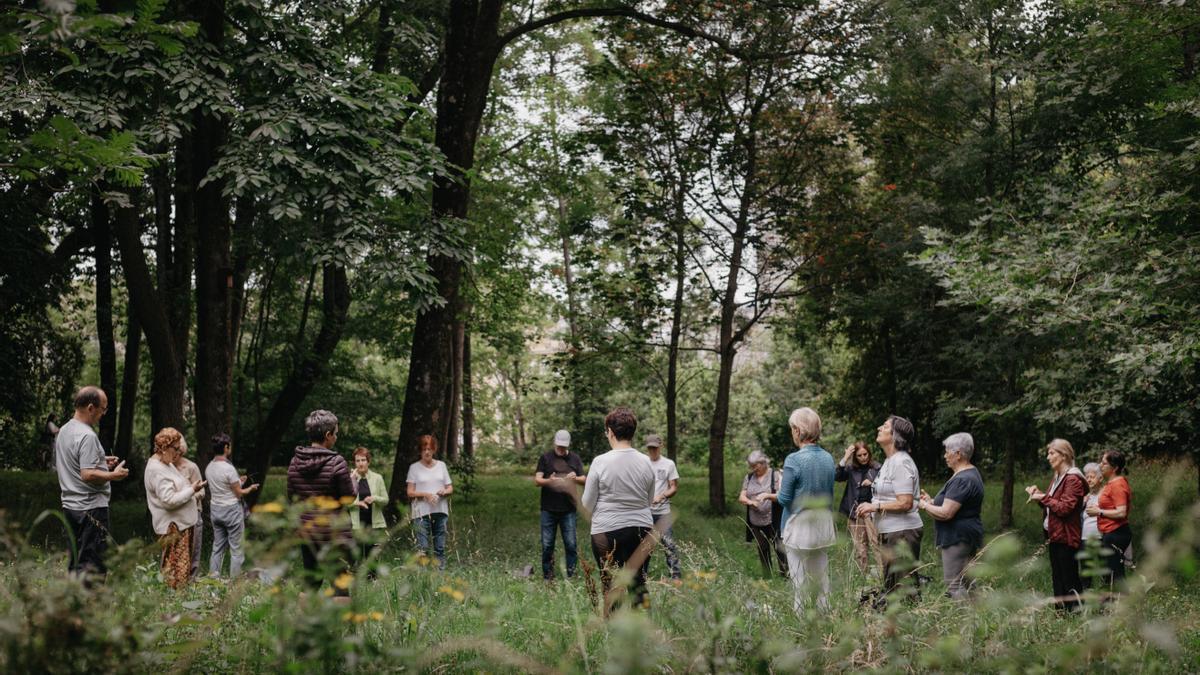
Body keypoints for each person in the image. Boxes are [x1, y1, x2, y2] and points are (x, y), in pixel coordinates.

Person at [582, 406, 655, 613]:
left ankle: (613, 631)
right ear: (632, 432)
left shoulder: (600, 462)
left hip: (606, 530)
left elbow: (587, 503)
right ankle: (644, 626)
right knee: (639, 582)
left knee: (610, 583)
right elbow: (649, 500)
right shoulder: (646, 462)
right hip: (641, 528)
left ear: (610, 432)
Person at [54, 386, 129, 581]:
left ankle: (73, 605)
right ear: (90, 407)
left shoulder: (64, 430)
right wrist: (114, 475)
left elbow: (74, 461)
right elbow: (87, 474)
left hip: (70, 507)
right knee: (93, 564)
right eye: (103, 409)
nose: (103, 414)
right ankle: (90, 608)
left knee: (76, 561)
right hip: (91, 509)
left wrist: (101, 461)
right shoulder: (87, 435)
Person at [287, 409, 355, 599]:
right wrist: (354, 480)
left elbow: (292, 499)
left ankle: (303, 624)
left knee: (311, 581)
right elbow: (349, 498)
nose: (336, 437)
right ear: (328, 435)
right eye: (336, 433)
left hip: (307, 532)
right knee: (340, 583)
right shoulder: (337, 463)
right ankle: (342, 628)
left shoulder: (294, 462)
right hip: (334, 533)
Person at [855, 415, 923, 602]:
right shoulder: (889, 461)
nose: (879, 428)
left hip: (902, 533)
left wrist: (874, 506)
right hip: (890, 531)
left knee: (904, 590)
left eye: (884, 426)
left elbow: (905, 502)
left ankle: (911, 627)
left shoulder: (901, 462)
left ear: (895, 435)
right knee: (893, 589)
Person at [776, 407, 837, 613]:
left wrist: (779, 486)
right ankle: (826, 618)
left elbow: (784, 498)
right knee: (822, 579)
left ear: (797, 430)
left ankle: (801, 625)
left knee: (799, 580)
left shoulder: (794, 459)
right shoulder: (828, 458)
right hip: (823, 522)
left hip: (799, 524)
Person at [918, 433, 984, 600]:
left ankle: (965, 623)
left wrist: (925, 505)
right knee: (969, 581)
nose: (945, 455)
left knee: (953, 583)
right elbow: (956, 504)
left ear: (959, 454)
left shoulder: (962, 479)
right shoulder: (971, 473)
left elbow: (947, 513)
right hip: (967, 534)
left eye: (948, 451)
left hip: (957, 537)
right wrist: (932, 501)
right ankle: (978, 620)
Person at [1025, 438, 1087, 611]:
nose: (1048, 457)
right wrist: (1039, 496)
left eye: (1051, 453)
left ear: (1064, 455)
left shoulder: (1073, 479)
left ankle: (1076, 613)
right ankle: (1061, 613)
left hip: (1067, 536)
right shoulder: (1058, 478)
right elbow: (1053, 505)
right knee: (1058, 577)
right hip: (1055, 535)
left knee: (1069, 578)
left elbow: (1065, 508)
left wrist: (1043, 497)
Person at [145, 427, 206, 589]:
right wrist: (192, 490)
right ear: (164, 448)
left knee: (180, 571)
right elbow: (169, 500)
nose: (178, 452)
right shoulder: (157, 470)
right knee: (174, 572)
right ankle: (172, 607)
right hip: (173, 527)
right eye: (176, 449)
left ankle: (176, 604)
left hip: (181, 525)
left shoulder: (166, 463)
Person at [534, 429, 586, 580]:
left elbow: (584, 479)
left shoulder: (574, 459)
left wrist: (575, 478)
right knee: (547, 545)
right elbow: (537, 480)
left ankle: (571, 575)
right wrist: (549, 481)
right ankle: (548, 576)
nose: (561, 449)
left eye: (564, 446)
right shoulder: (545, 458)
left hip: (568, 509)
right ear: (555, 443)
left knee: (570, 544)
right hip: (548, 509)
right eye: (559, 446)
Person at [205, 433, 259, 577]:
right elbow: (239, 493)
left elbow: (224, 487)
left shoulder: (209, 467)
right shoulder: (228, 468)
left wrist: (238, 481)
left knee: (217, 548)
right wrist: (251, 487)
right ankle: (235, 584)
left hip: (216, 510)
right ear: (226, 447)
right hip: (231, 511)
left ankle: (213, 582)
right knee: (237, 550)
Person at [738, 450, 788, 577]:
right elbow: (741, 497)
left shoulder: (776, 475)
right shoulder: (749, 477)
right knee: (762, 548)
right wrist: (750, 502)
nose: (754, 469)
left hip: (774, 519)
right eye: (751, 466)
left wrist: (767, 496)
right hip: (756, 521)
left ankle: (785, 575)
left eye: (756, 466)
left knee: (780, 549)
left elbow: (782, 496)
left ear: (764, 463)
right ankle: (767, 577)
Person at [1087, 450, 1132, 590]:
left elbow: (1121, 512)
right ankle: (1112, 605)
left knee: (1115, 573)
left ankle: (1124, 605)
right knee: (1111, 572)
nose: (1100, 465)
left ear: (1115, 468)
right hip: (1110, 533)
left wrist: (1099, 512)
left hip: (1117, 533)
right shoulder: (1110, 483)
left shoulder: (1118, 484)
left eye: (1104, 463)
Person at [407, 434, 453, 570]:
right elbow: (410, 492)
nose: (427, 452)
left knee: (440, 548)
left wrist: (445, 491)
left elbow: (450, 487)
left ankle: (439, 578)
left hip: (440, 511)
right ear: (420, 450)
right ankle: (423, 580)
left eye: (429, 449)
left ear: (434, 449)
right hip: (421, 513)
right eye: (424, 449)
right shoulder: (414, 468)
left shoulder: (442, 466)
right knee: (423, 549)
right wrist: (425, 494)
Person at [835, 441, 881, 576]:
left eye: (865, 454)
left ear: (869, 453)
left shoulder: (878, 468)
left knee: (876, 544)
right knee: (860, 547)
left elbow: (886, 487)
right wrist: (845, 457)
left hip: (872, 511)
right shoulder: (850, 469)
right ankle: (864, 576)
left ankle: (883, 574)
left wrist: (872, 484)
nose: (863, 457)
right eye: (859, 455)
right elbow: (837, 477)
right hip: (855, 511)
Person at [645, 433, 681, 580]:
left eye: (655, 448)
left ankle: (676, 576)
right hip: (644, 512)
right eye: (650, 448)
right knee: (644, 546)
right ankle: (642, 575)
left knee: (669, 545)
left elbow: (673, 487)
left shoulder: (668, 464)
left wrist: (662, 496)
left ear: (661, 446)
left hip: (663, 512)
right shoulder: (642, 462)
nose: (653, 451)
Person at [350, 447, 390, 567]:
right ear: (354, 463)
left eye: (363, 460)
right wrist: (357, 503)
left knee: (372, 554)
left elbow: (386, 500)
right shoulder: (350, 478)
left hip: (373, 522)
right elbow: (343, 501)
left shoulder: (377, 478)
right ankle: (355, 580)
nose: (361, 463)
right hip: (356, 523)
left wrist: (375, 498)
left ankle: (372, 580)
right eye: (358, 460)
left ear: (368, 461)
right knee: (356, 555)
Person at [174, 437, 206, 581]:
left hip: (193, 513)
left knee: (193, 549)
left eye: (178, 452)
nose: (175, 456)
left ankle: (191, 581)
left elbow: (202, 492)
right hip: (174, 514)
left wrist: (187, 496)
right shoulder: (165, 467)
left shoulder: (191, 467)